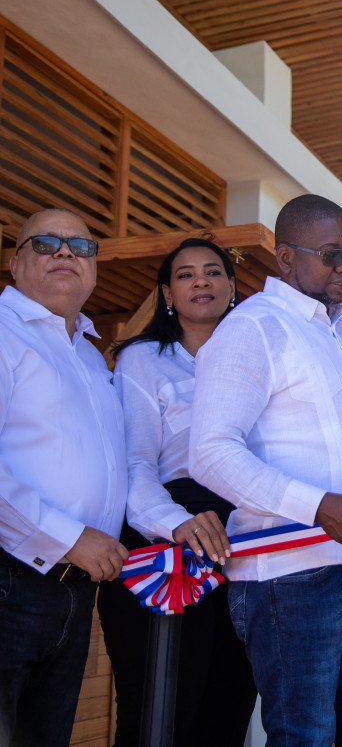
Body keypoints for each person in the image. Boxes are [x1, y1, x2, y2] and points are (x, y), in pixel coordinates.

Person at [190, 193, 342, 747]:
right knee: (303, 737)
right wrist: (317, 506)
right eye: (331, 255)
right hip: (291, 576)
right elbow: (211, 452)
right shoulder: (251, 328)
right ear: (285, 258)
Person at [96, 237, 257, 746]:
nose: (201, 281)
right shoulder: (142, 359)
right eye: (185, 274)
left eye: (213, 271)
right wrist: (176, 523)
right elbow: (136, 463)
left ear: (232, 286)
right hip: (166, 536)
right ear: (167, 293)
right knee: (160, 713)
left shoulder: (260, 357)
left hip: (245, 540)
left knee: (229, 705)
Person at [0, 208, 128, 747]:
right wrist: (70, 538)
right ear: (14, 263)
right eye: (45, 243)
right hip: (10, 580)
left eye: (80, 246)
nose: (65, 253)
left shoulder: (92, 358)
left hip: (74, 592)